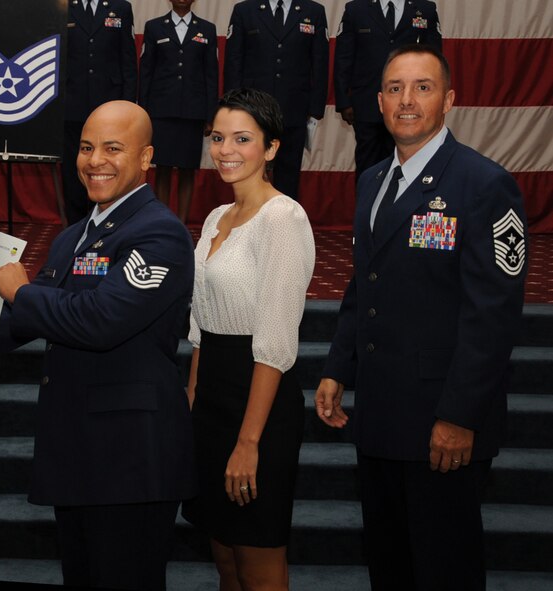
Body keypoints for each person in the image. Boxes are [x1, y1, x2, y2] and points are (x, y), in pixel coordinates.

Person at [0, 101, 196, 591]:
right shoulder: (74, 236)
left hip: (131, 462)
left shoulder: (160, 233)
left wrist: (20, 289)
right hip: (78, 453)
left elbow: (99, 321)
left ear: (146, 159)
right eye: (85, 147)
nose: (94, 159)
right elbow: (22, 322)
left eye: (112, 148)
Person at [315, 45, 527, 591]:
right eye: (394, 88)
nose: (406, 100)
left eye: (422, 87)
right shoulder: (372, 181)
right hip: (381, 414)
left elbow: (493, 318)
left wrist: (460, 416)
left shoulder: (484, 185)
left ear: (449, 99)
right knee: (390, 565)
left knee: (444, 569)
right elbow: (366, 286)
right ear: (379, 100)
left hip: (442, 422)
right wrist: (339, 365)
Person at [182, 87, 316, 591]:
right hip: (211, 396)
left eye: (242, 138)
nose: (226, 150)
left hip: (259, 401)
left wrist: (248, 442)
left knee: (259, 565)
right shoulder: (218, 217)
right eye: (218, 138)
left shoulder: (284, 218)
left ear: (272, 148)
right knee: (225, 558)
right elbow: (200, 325)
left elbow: (276, 340)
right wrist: (192, 404)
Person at [223, 0, 329, 202]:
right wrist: (233, 106)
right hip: (252, 112)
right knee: (250, 170)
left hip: (294, 108)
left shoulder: (314, 11)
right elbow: (234, 61)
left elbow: (320, 62)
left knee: (289, 174)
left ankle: (285, 225)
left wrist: (316, 108)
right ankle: (249, 222)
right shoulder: (245, 10)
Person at [334, 0, 441, 181]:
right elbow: (343, 58)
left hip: (409, 106)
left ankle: (401, 208)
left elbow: (435, 62)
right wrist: (344, 101)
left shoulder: (425, 9)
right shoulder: (356, 9)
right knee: (367, 166)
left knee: (408, 162)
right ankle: (368, 209)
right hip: (367, 103)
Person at [139, 0, 218, 223]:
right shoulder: (154, 27)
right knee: (162, 168)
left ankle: (180, 223)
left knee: (187, 170)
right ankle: (163, 221)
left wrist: (210, 116)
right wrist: (143, 113)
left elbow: (211, 75)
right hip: (161, 110)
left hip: (193, 113)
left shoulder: (207, 29)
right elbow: (146, 72)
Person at [62, 0, 137, 225]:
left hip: (110, 107)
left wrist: (128, 108)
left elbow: (128, 62)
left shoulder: (121, 7)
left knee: (109, 167)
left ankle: (108, 224)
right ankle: (76, 226)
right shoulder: (64, 7)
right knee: (73, 171)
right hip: (71, 104)